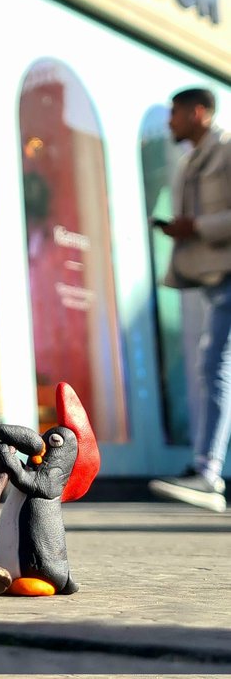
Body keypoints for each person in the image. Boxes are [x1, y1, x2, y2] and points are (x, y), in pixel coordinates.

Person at [149, 87, 231, 512]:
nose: (169, 122)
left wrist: (195, 226)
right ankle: (208, 470)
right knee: (212, 365)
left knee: (214, 364)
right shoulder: (189, 161)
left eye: (175, 113)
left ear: (198, 112)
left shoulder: (228, 149)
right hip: (216, 278)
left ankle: (209, 472)